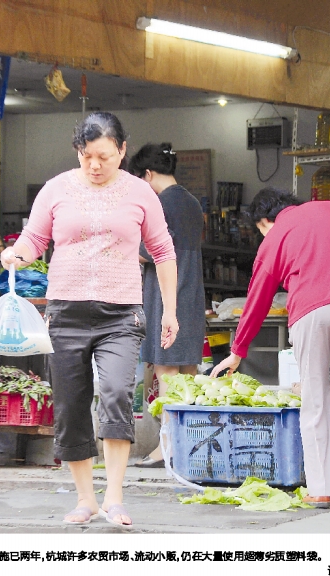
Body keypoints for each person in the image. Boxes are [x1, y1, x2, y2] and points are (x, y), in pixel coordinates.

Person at [0, 112, 178, 527]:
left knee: (116, 392)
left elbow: (163, 251)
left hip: (121, 313)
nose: (95, 165)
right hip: (66, 312)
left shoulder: (140, 192)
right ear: (77, 152)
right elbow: (35, 238)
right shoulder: (56, 189)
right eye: (86, 156)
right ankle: (85, 499)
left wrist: (169, 310)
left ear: (122, 150)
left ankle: (114, 496)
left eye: (104, 156)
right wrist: (16, 254)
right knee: (70, 404)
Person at [211, 187, 330, 510]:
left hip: (309, 309)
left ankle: (321, 489)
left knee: (314, 398)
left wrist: (237, 350)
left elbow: (258, 297)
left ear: (264, 220)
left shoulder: (273, 238)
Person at [128, 143, 205, 467]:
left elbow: (150, 251)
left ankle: (167, 447)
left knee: (166, 371)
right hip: (192, 289)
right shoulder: (192, 201)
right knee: (187, 373)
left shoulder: (159, 203)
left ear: (147, 174)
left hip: (166, 292)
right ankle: (188, 445)